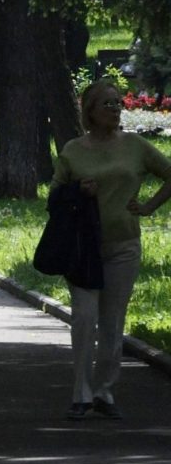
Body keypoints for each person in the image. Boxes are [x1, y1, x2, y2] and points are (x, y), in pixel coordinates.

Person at [53, 79, 171, 421]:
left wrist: (148, 207)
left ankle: (104, 391)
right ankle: (80, 393)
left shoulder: (135, 145)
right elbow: (55, 197)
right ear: (90, 110)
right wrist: (78, 190)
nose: (116, 108)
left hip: (123, 246)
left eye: (118, 102)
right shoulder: (74, 150)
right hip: (82, 249)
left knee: (112, 321)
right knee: (84, 318)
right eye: (108, 103)